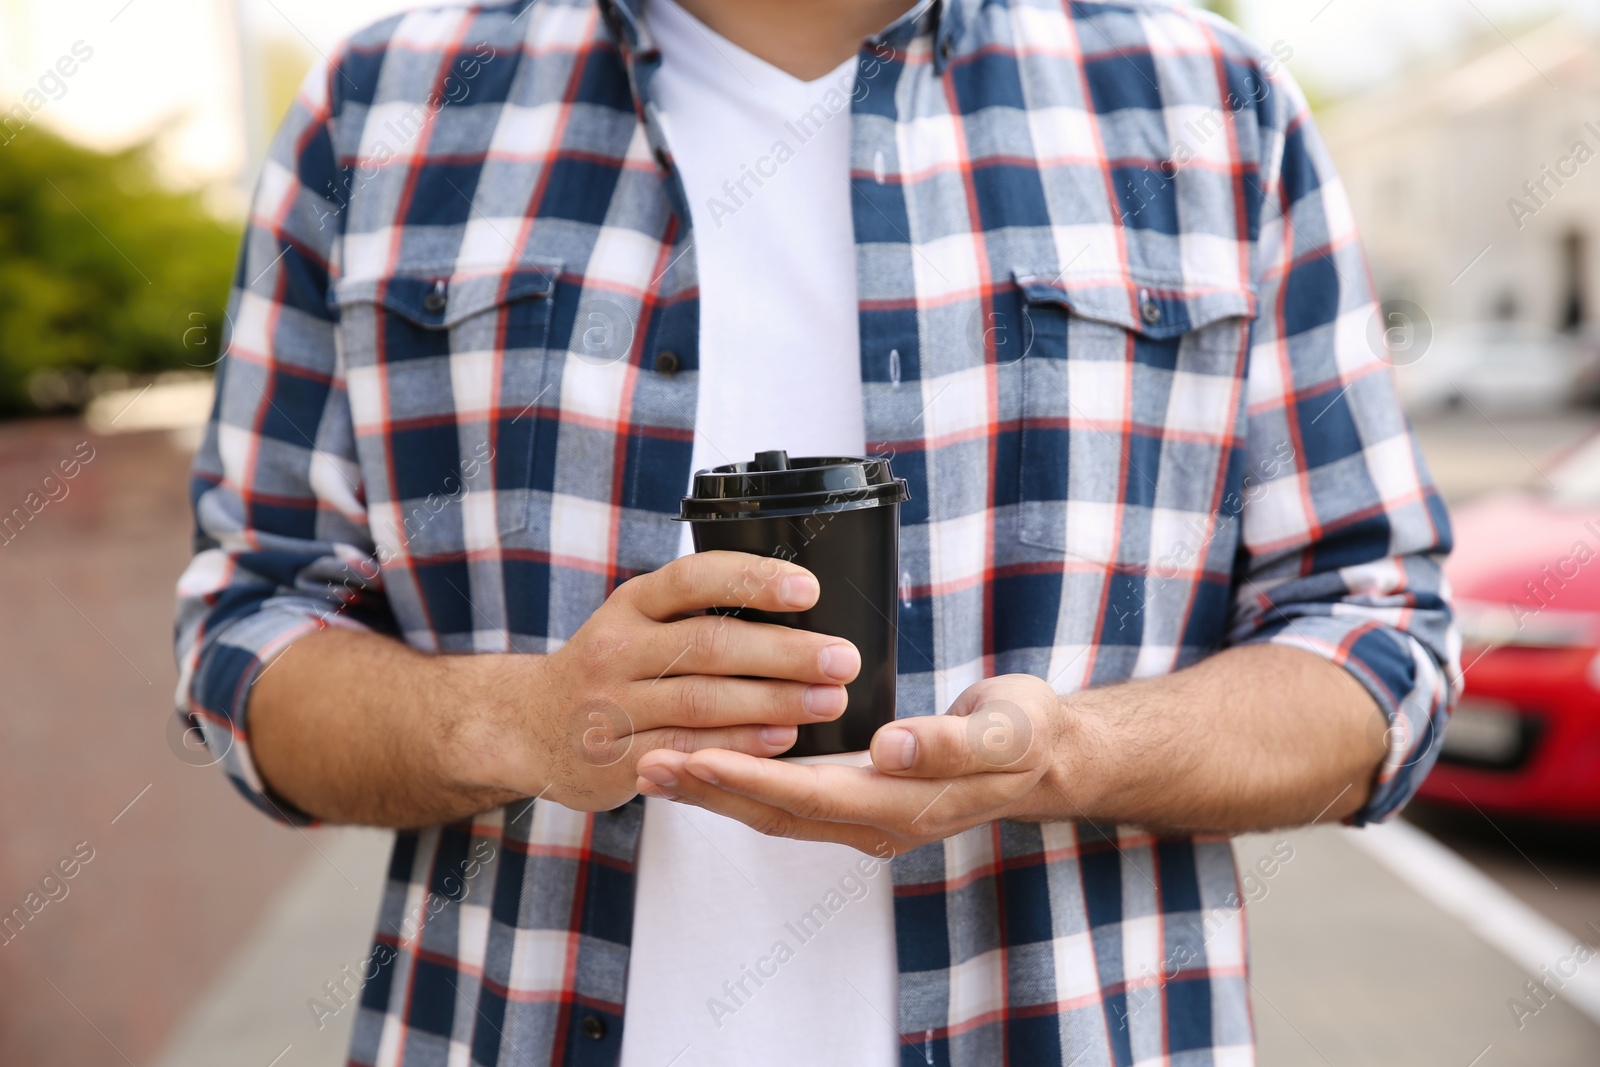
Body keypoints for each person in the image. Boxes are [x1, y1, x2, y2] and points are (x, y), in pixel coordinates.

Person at [174, 0, 1458, 1063]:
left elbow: (1374, 644)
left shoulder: (1211, 108)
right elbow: (250, 633)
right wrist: (529, 719)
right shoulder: (386, 107)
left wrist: (1066, 751)